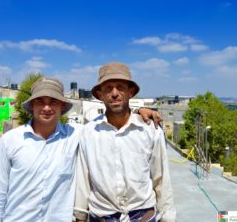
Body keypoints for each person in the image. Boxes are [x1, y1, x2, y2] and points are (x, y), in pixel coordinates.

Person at [0, 76, 162, 222]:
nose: (47, 107)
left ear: (62, 106)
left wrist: (139, 112)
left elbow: (112, 121)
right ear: (32, 106)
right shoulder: (10, 141)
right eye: (40, 101)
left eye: (53, 101)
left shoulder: (77, 134)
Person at [74, 62, 176, 222]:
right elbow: (82, 181)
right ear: (100, 95)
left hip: (143, 216)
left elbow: (161, 178)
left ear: (131, 92)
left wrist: (167, 217)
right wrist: (79, 217)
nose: (114, 93)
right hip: (101, 217)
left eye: (120, 87)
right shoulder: (88, 132)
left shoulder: (150, 129)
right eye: (108, 88)